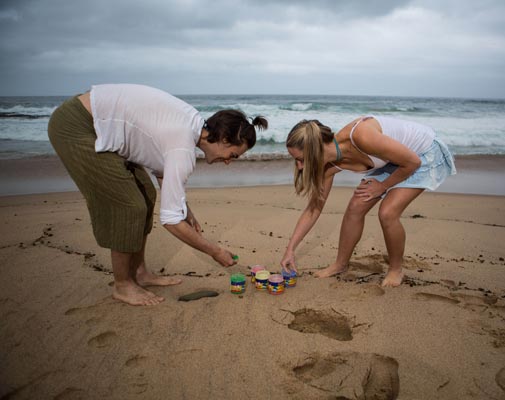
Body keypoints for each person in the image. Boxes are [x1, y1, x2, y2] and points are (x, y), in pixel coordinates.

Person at [48, 83, 268, 305]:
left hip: (97, 122)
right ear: (224, 140)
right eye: (233, 154)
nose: (229, 162)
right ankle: (122, 285)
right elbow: (170, 220)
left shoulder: (191, 126)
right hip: (79, 126)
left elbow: (164, 170)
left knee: (145, 193)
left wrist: (185, 208)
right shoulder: (183, 146)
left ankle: (140, 272)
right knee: (129, 205)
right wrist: (214, 251)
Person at [280, 116, 455, 287]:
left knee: (388, 212)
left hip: (420, 154)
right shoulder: (328, 166)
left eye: (301, 159)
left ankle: (396, 270)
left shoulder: (361, 136)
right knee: (356, 207)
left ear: (315, 150)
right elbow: (313, 209)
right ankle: (340, 265)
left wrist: (383, 186)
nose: (300, 167)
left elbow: (412, 162)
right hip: (390, 161)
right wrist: (290, 250)